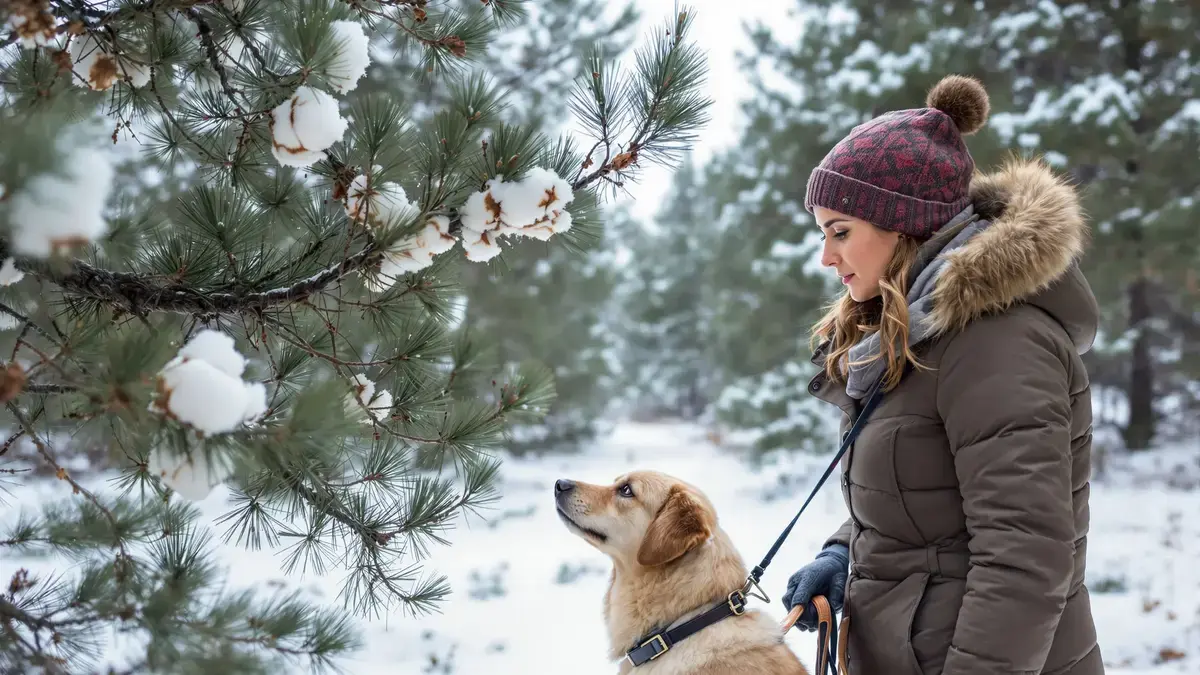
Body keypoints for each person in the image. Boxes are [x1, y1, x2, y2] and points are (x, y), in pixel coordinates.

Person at [780, 74, 1104, 675]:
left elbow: (1024, 561)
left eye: (840, 231)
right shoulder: (918, 335)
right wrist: (845, 552)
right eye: (822, 233)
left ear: (901, 223)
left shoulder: (998, 343)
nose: (827, 257)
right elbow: (929, 501)